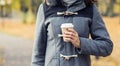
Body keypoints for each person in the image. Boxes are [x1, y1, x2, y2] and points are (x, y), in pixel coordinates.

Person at [31, 0, 113, 66]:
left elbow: (107, 46)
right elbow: (38, 54)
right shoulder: (45, 8)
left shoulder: (90, 8)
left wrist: (81, 43)